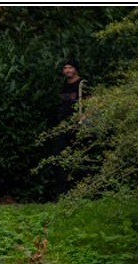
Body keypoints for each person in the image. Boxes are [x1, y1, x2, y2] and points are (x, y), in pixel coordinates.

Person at [53, 60, 89, 196]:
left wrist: (83, 119)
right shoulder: (63, 86)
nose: (67, 70)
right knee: (58, 156)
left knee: (79, 158)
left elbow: (92, 104)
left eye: (70, 67)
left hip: (78, 126)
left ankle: (81, 191)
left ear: (76, 69)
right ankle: (63, 192)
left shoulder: (82, 85)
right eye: (65, 68)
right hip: (63, 125)